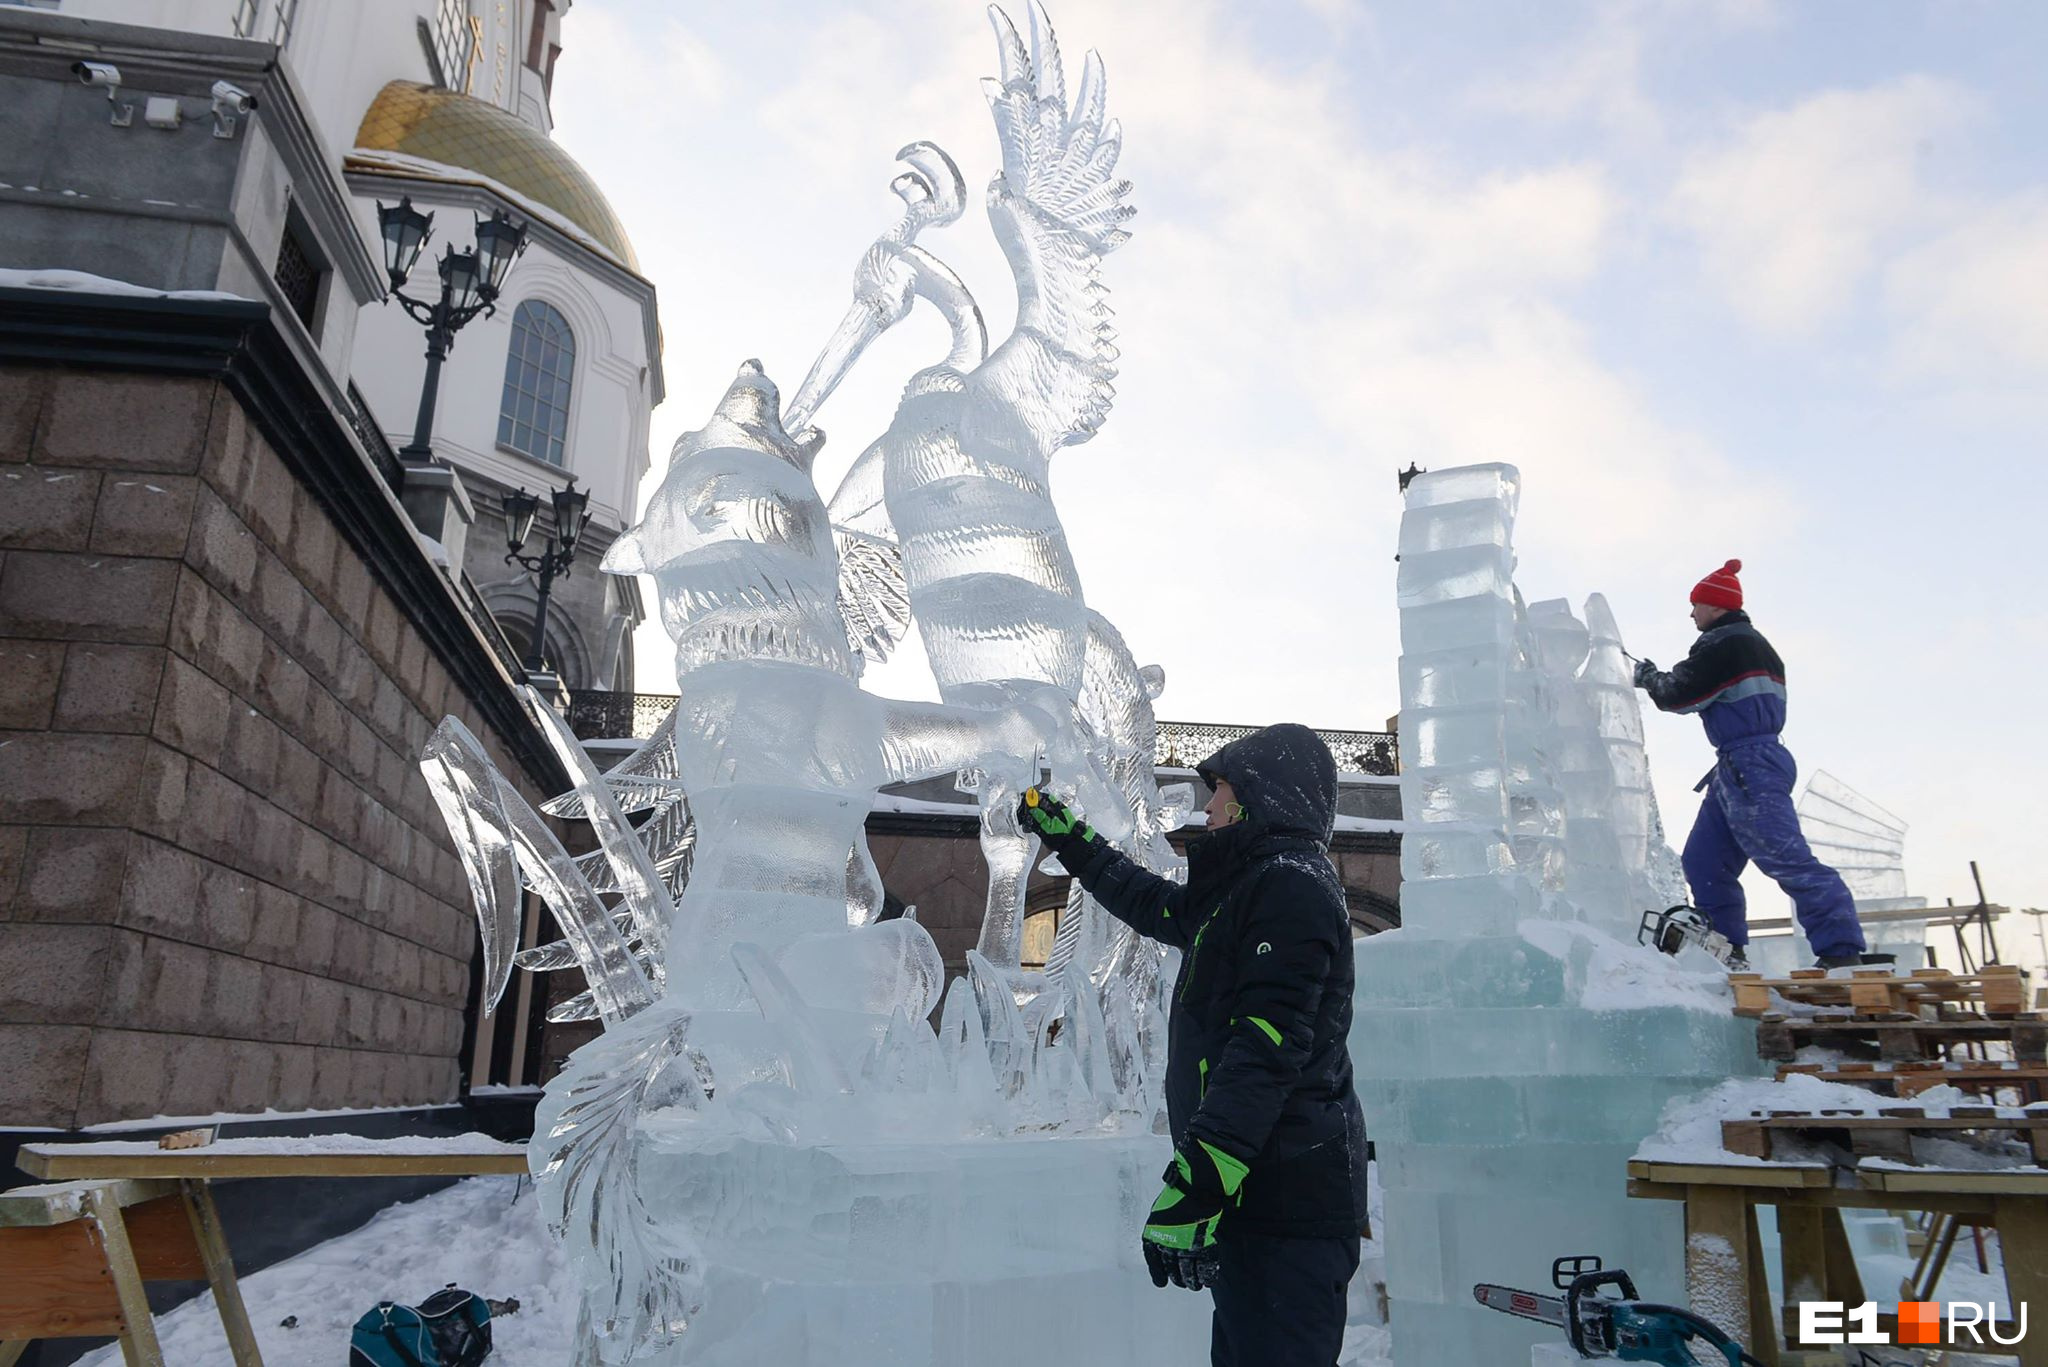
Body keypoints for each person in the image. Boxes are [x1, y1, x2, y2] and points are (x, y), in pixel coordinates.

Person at [1018, 723, 1368, 1367]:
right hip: (1257, 1201)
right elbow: (1146, 900)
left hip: (1287, 1208)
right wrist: (1066, 836)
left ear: (1258, 798)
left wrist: (1198, 1185)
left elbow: (1264, 1053)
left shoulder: (1291, 889)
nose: (1207, 807)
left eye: (1221, 791)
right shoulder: (1247, 889)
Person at [1632, 559, 1870, 970]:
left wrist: (1649, 677)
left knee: (1783, 856)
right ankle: (1726, 950)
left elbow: (1679, 694)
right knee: (1704, 861)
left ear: (1717, 606)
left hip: (1751, 764)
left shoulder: (1725, 644)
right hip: (1738, 764)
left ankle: (1841, 950)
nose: (1692, 613)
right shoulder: (1749, 644)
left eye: (1697, 605)